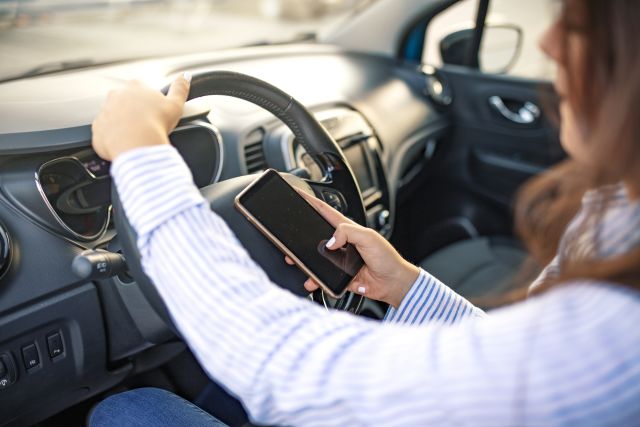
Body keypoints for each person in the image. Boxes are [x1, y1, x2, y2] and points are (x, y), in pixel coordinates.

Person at [89, 1, 640, 425]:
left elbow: (291, 371)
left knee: (127, 410)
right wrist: (405, 286)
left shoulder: (620, 336)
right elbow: (517, 370)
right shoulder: (619, 215)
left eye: (581, 25)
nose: (550, 44)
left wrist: (141, 153)